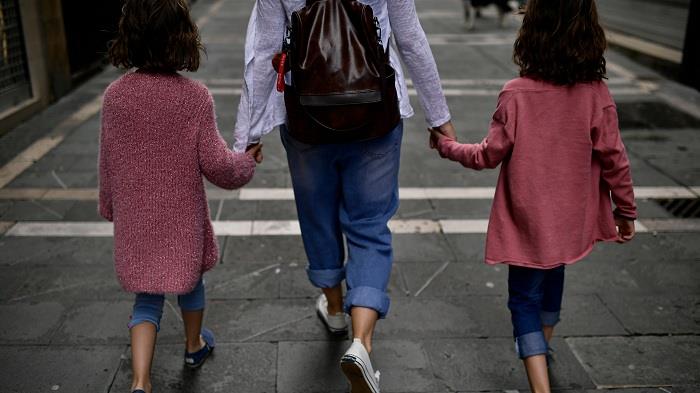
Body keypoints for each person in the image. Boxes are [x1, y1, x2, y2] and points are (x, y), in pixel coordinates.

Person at [234, 0, 454, 391]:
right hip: (375, 111)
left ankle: (335, 309)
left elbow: (264, 51)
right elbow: (411, 40)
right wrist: (439, 117)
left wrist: (248, 135)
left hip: (306, 115)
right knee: (370, 226)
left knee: (316, 214)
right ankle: (361, 341)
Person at [428, 0, 636, 392]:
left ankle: (539, 382)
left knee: (523, 300)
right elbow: (615, 159)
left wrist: (446, 146)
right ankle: (542, 347)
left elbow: (487, 155)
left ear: (531, 32)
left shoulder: (516, 94)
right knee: (554, 274)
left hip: (526, 220)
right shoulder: (597, 94)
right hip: (569, 220)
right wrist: (625, 210)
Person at [99, 1, 262, 392]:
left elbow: (108, 160)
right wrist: (246, 162)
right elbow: (217, 165)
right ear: (182, 40)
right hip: (181, 219)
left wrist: (110, 205)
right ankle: (194, 345)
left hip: (136, 218)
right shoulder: (194, 98)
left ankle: (140, 382)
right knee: (191, 283)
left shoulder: (115, 97)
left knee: (146, 299)